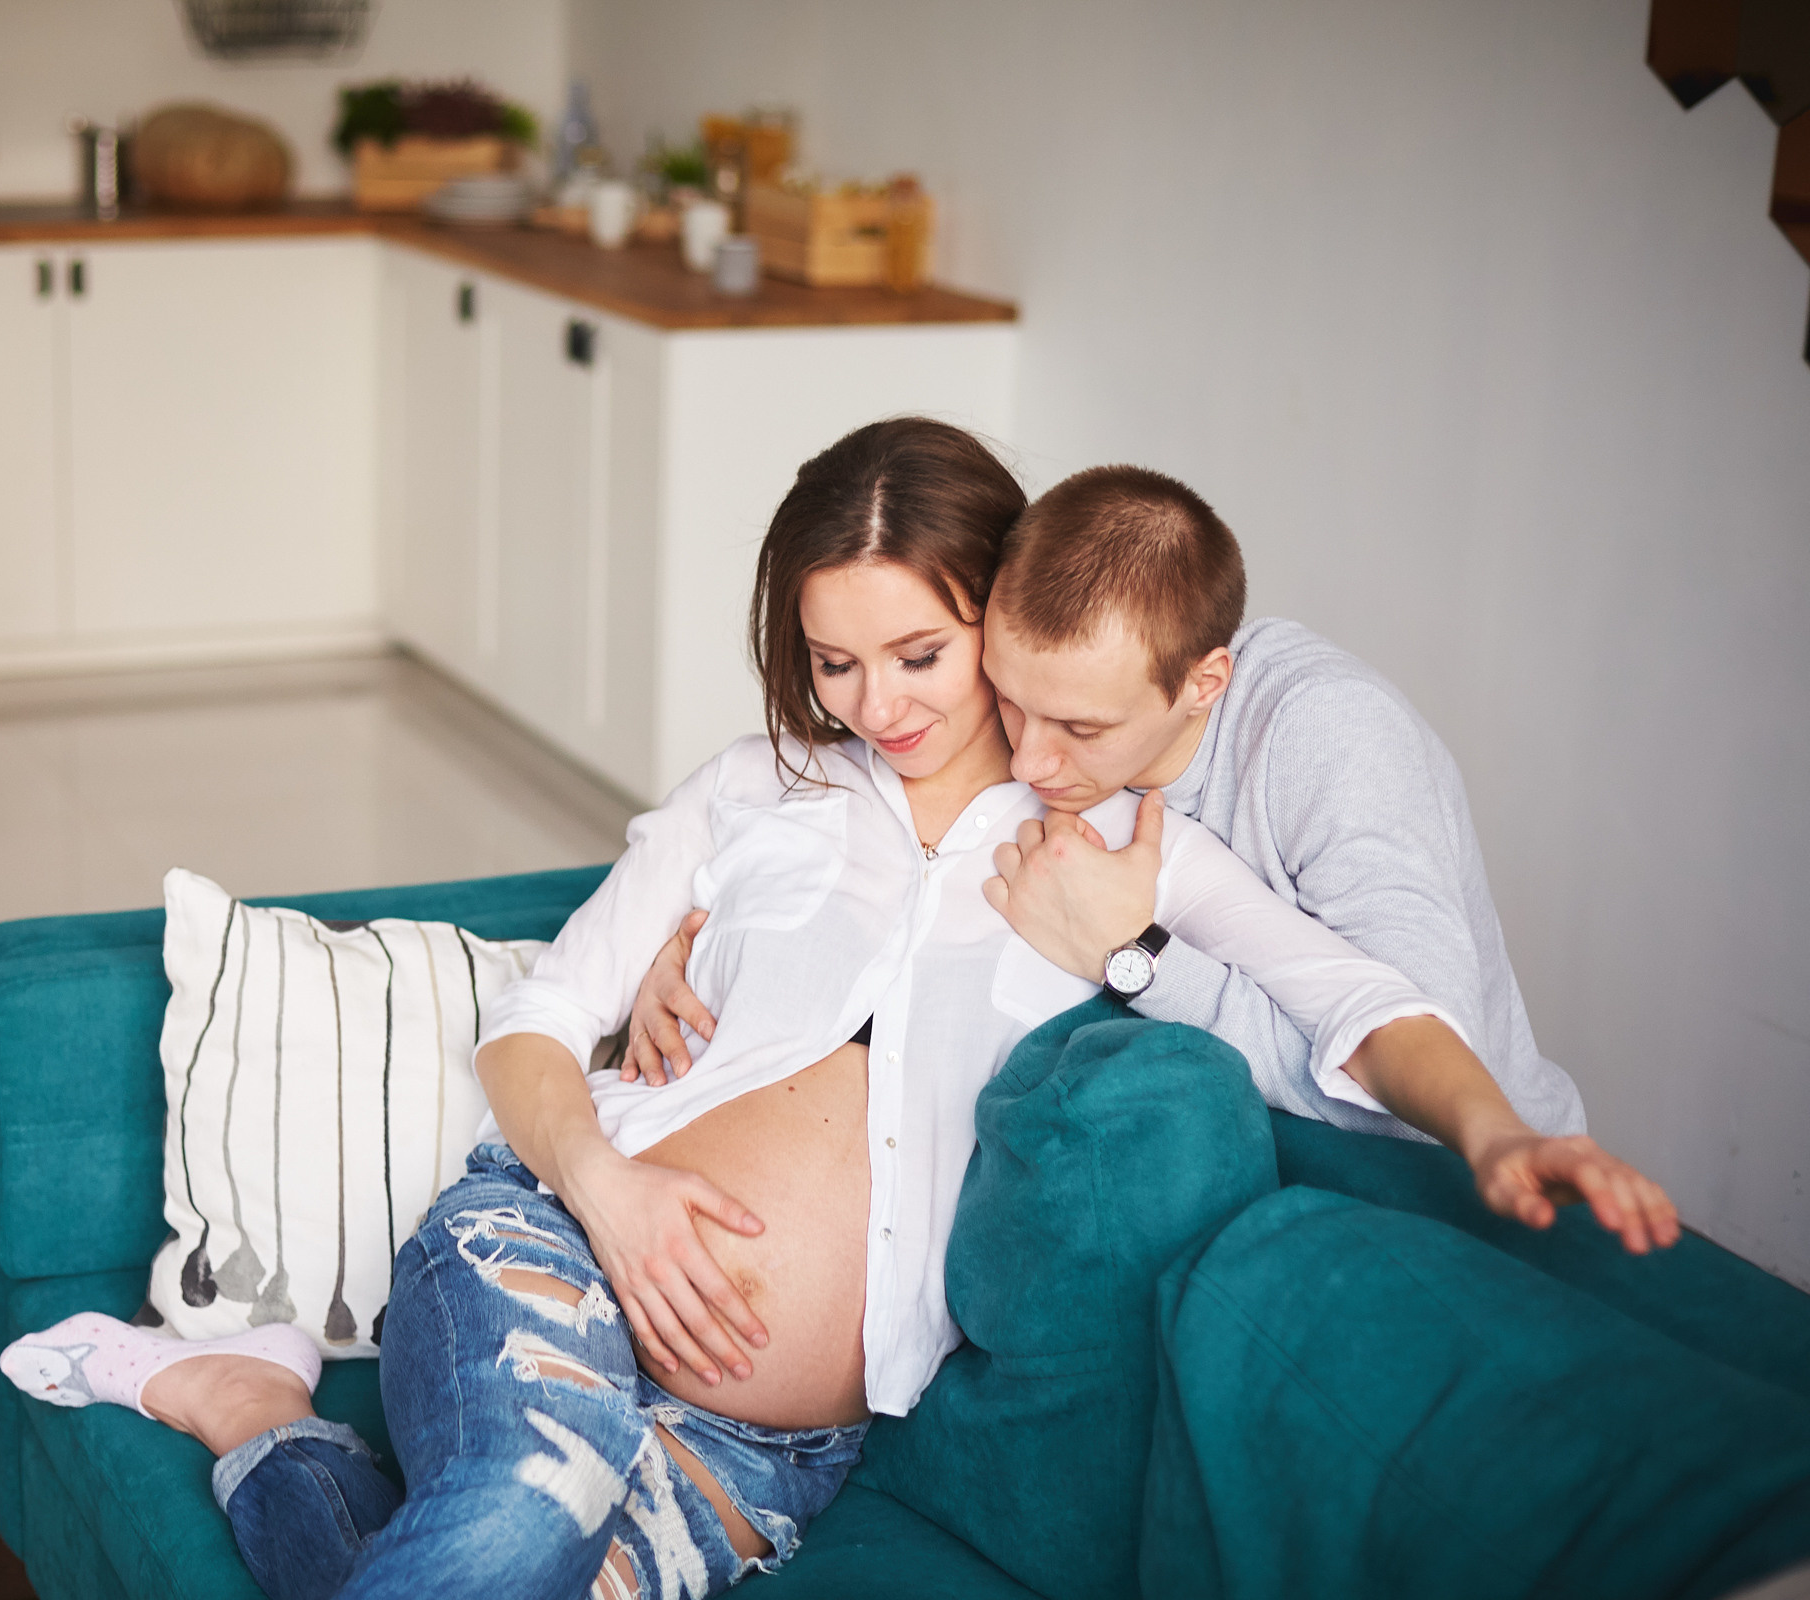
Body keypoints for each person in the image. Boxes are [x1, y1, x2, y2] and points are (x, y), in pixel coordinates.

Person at [0, 420, 1669, 1600]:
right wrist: (613, 1189)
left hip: (781, 1440)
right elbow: (538, 1021)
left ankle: (258, 1415)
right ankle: (290, 1410)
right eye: (834, 663)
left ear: (998, 616)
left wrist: (1503, 1126)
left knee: (502, 1573)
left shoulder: (1117, 852)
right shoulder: (755, 796)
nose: (876, 708)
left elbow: (1355, 1000)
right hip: (551, 1250)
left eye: (922, 658)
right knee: (520, 1513)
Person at [629, 461, 1667, 1247]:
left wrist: (1135, 956)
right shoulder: (1072, 660)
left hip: (1450, 1176)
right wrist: (691, 949)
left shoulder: (1329, 742)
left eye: (1077, 731)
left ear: (1203, 683)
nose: (1030, 760)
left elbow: (1396, 1030)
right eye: (1010, 702)